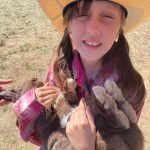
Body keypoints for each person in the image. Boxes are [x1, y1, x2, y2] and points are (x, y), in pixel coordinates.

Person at [13, 0, 149, 149]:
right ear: (68, 25)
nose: (93, 29)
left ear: (120, 29)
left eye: (108, 16)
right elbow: (45, 131)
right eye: (82, 14)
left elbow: (129, 141)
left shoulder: (131, 86)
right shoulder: (59, 68)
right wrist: (36, 102)